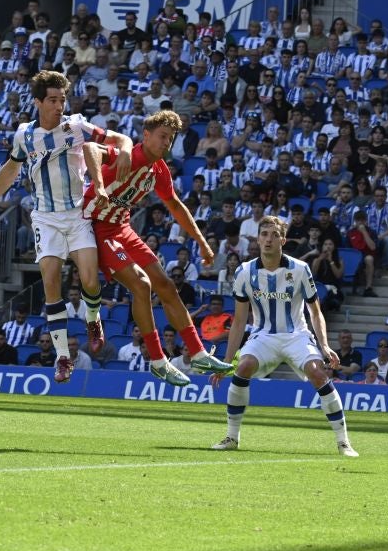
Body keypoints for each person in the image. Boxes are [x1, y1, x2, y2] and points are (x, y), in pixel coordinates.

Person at [0, 70, 133, 382]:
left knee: (90, 280)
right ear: (38, 102)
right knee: (51, 282)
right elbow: (11, 168)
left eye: (62, 100)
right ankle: (62, 357)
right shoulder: (24, 135)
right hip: (45, 217)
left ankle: (93, 319)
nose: (59, 106)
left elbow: (120, 138)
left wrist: (124, 149)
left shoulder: (76, 126)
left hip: (77, 213)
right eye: (53, 100)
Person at [81, 111, 235, 385]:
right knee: (141, 285)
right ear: (146, 136)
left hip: (122, 228)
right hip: (95, 228)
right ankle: (157, 360)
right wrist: (100, 184)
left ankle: (198, 352)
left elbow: (175, 206)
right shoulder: (129, 155)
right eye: (162, 137)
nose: (167, 143)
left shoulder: (159, 170)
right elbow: (89, 148)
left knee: (166, 285)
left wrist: (200, 241)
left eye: (171, 139)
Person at [215, 216, 357, 457]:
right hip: (263, 335)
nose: (268, 239)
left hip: (297, 335)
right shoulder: (244, 272)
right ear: (258, 238)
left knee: (317, 371)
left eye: (273, 234)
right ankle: (232, 437)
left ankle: (344, 442)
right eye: (263, 234)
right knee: (244, 366)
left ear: (283, 239)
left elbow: (315, 310)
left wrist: (324, 345)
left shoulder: (300, 269)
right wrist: (227, 361)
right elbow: (239, 321)